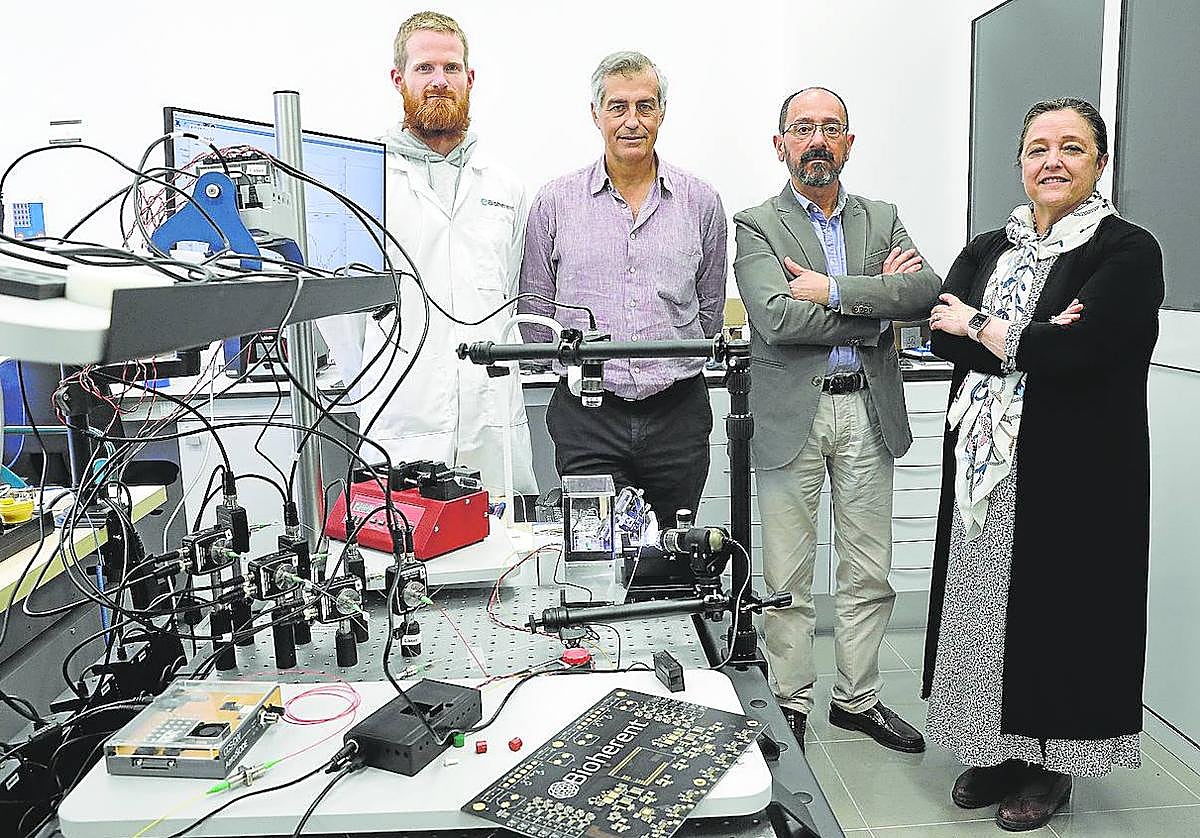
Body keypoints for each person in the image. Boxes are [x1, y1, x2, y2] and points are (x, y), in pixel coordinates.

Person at [923, 97, 1163, 831]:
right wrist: (1014, 335)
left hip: (1078, 472)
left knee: (1064, 614)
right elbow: (942, 333)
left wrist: (986, 327)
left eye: (1071, 147)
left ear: (1100, 162)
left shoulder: (1126, 249)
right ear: (1020, 162)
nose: (1052, 161)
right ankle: (997, 748)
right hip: (985, 467)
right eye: (1037, 148)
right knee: (984, 609)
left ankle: (1053, 765)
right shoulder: (991, 245)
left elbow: (1079, 351)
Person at [732, 87, 940, 753]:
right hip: (795, 411)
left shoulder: (884, 216)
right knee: (787, 576)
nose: (817, 139)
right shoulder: (755, 223)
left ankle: (859, 700)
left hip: (868, 409)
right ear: (780, 143)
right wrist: (878, 307)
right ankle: (790, 701)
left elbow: (924, 292)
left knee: (868, 568)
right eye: (802, 128)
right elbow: (775, 317)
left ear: (849, 141)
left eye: (831, 128)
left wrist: (835, 290)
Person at [321, 10, 536, 495]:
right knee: (408, 562)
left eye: (451, 68)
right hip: (403, 419)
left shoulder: (505, 186)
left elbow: (515, 293)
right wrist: (378, 386)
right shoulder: (364, 182)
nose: (439, 81)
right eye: (424, 69)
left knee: (504, 562)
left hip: (491, 415)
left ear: (470, 78)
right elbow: (339, 316)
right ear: (399, 79)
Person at [518, 51, 726, 528]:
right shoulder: (555, 203)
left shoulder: (701, 202)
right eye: (618, 106)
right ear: (596, 114)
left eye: (645, 106)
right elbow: (535, 311)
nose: (632, 121)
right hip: (587, 419)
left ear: (662, 112)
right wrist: (579, 374)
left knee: (674, 559)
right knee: (594, 564)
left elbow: (709, 308)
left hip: (678, 415)